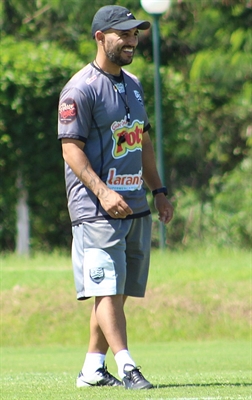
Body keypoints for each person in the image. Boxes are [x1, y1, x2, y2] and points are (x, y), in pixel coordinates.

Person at [58, 5, 173, 390]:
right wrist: (103, 193)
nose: (131, 41)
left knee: (116, 291)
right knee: (106, 286)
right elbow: (71, 149)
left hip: (135, 204)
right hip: (95, 208)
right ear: (99, 37)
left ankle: (92, 370)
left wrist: (159, 191)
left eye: (135, 34)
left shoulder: (135, 84)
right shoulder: (80, 88)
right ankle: (127, 367)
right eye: (122, 34)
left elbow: (143, 142)